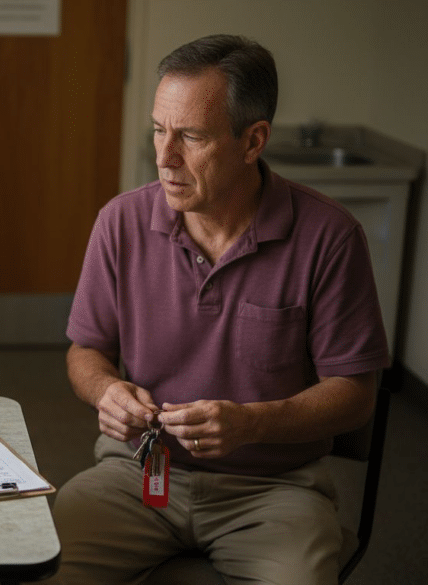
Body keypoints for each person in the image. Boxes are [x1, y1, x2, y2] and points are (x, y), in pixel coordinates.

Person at [52, 34, 390, 585]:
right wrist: (104, 390)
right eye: (159, 130)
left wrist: (250, 423)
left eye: (190, 136)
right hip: (138, 474)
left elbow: (354, 396)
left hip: (275, 489)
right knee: (38, 566)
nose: (164, 157)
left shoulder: (330, 237)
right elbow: (86, 350)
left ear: (253, 140)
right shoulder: (120, 222)